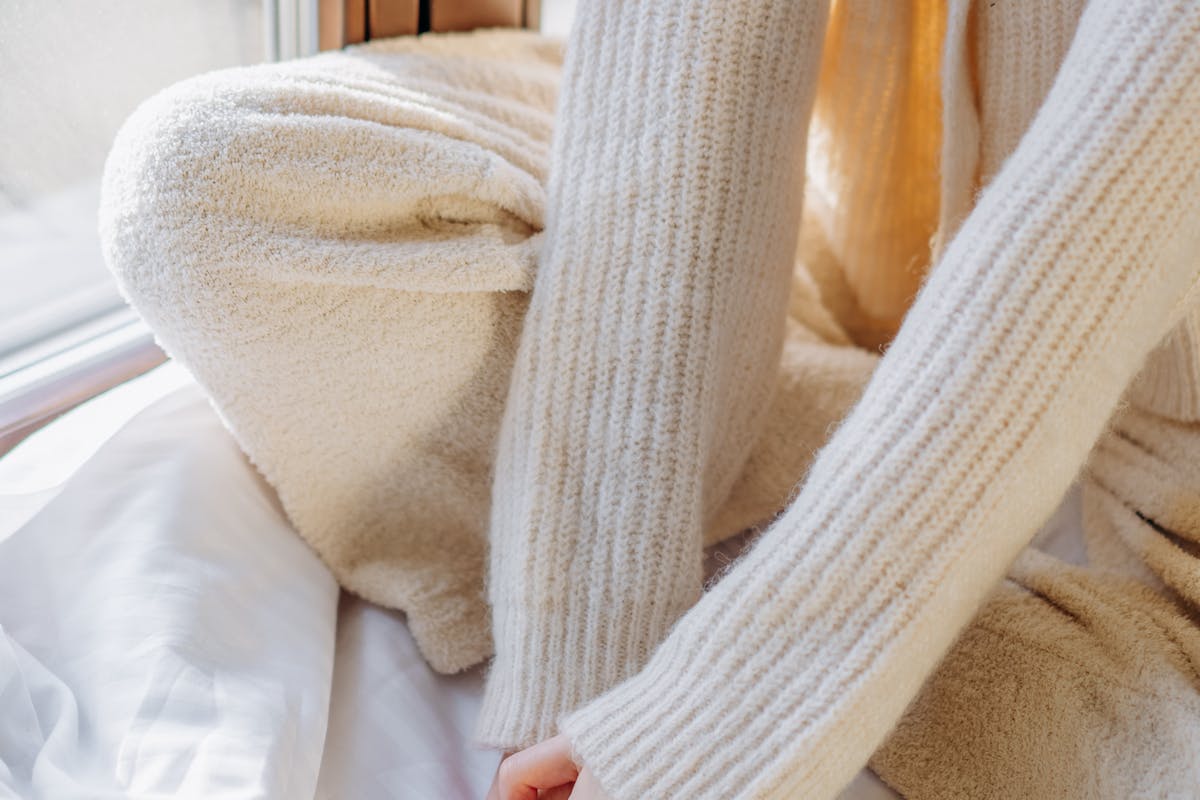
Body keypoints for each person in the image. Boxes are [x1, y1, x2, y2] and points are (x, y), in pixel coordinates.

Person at [101, 0, 1200, 798]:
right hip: (807, 292)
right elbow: (674, 108)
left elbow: (1086, 249)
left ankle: (822, 565)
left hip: (1164, 517)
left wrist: (715, 725)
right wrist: (588, 658)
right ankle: (822, 550)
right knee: (206, 190)